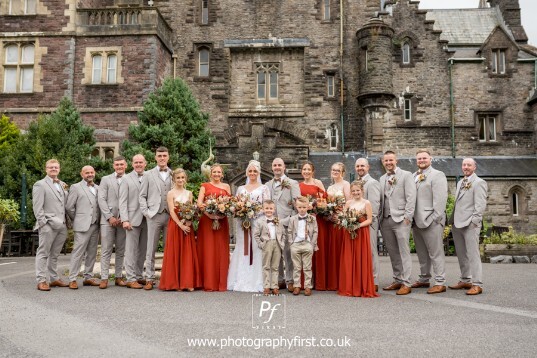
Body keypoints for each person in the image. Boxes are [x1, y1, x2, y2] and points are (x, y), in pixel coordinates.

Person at [228, 160, 270, 292]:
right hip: (243, 224)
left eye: (255, 171)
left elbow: (267, 206)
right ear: (247, 172)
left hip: (257, 222)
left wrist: (253, 213)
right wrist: (241, 211)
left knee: (257, 248)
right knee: (243, 248)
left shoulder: (264, 188)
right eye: (250, 171)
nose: (252, 173)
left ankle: (257, 281)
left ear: (258, 173)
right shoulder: (241, 189)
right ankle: (241, 279)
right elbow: (235, 205)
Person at [449, 158, 488, 295]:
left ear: (474, 167)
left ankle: (477, 284)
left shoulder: (479, 183)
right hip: (457, 223)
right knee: (461, 254)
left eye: (469, 165)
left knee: (473, 254)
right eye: (464, 165)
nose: (466, 167)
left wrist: (475, 222)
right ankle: (466, 279)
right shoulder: (460, 182)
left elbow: (480, 205)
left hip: (470, 224)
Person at [411, 150, 448, 294]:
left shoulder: (437, 175)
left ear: (430, 159)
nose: (421, 160)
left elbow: (440, 199)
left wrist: (435, 218)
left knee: (435, 252)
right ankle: (424, 278)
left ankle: (440, 281)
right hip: (416, 220)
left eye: (424, 158)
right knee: (421, 252)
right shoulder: (414, 176)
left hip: (431, 220)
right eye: (419, 158)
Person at [379, 150, 416, 296]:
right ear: (383, 162)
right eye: (386, 160)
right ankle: (398, 279)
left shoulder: (406, 175)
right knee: (393, 252)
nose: (388, 163)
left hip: (401, 219)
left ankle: (407, 282)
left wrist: (408, 217)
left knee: (404, 251)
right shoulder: (382, 178)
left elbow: (411, 197)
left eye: (391, 160)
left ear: (396, 161)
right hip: (386, 219)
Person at [159, 168, 201, 291]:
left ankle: (187, 282)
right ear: (174, 179)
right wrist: (180, 224)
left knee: (187, 252)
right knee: (175, 251)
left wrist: (188, 221)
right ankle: (176, 283)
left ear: (185, 179)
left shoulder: (189, 193)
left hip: (187, 225)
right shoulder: (170, 193)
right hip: (175, 225)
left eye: (182, 177)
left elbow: (191, 209)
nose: (180, 180)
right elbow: (171, 210)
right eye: (178, 178)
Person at [33, 159, 70, 291]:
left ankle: (54, 279)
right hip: (48, 224)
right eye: (51, 167)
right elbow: (37, 207)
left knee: (55, 254)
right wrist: (43, 223)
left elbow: (66, 205)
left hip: (62, 225)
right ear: (46, 169)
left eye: (56, 167)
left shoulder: (63, 184)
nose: (53, 169)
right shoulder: (40, 185)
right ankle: (41, 280)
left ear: (59, 169)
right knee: (43, 252)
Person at [338, 180, 378, 298]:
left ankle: (361, 287)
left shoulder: (367, 203)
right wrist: (346, 224)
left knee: (361, 258)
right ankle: (349, 286)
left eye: (358, 190)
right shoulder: (348, 203)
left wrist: (357, 226)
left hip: (361, 232)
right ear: (350, 192)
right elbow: (344, 217)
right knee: (349, 258)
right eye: (353, 191)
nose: (356, 192)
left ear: (362, 191)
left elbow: (370, 219)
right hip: (349, 233)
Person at [139, 147, 172, 290]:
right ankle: (150, 278)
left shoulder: (174, 173)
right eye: (160, 156)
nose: (162, 158)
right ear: (155, 157)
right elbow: (142, 196)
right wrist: (146, 212)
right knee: (150, 248)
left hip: (170, 215)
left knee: (169, 248)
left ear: (168, 157)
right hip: (154, 215)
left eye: (164, 155)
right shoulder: (148, 174)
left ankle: (168, 277)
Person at [266, 158, 301, 292]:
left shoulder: (292, 183)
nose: (277, 167)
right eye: (275, 165)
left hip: (286, 223)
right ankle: (279, 280)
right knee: (275, 253)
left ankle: (290, 280)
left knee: (288, 253)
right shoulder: (268, 184)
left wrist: (288, 220)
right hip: (271, 224)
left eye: (279, 165)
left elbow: (297, 206)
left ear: (284, 167)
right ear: (272, 167)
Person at [197, 164, 231, 291]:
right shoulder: (204, 186)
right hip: (207, 221)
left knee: (221, 249)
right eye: (214, 172)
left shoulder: (226, 186)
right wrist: (209, 215)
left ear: (222, 174)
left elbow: (230, 204)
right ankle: (208, 281)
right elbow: (199, 203)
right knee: (208, 249)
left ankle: (221, 281)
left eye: (219, 172)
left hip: (222, 222)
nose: (216, 174)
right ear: (210, 174)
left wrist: (221, 214)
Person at [66, 165, 101, 289]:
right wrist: (78, 219)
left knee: (92, 252)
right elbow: (69, 207)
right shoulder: (75, 187)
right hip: (82, 225)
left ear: (94, 173)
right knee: (78, 252)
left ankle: (88, 277)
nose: (89, 174)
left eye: (91, 172)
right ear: (82, 174)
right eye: (87, 172)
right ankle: (72, 278)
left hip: (95, 225)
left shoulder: (98, 188)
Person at [97, 156, 127, 289]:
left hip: (123, 220)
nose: (119, 166)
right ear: (113, 166)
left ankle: (118, 277)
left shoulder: (130, 179)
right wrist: (109, 217)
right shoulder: (105, 179)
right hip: (107, 220)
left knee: (121, 250)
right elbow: (101, 199)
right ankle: (104, 278)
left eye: (121, 164)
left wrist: (124, 217)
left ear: (126, 165)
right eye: (117, 165)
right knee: (106, 250)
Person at [119, 154, 148, 289]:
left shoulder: (149, 176)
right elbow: (122, 201)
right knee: (130, 250)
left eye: (140, 162)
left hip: (147, 218)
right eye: (136, 162)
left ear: (145, 163)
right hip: (132, 219)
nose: (138, 164)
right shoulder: (126, 179)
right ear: (132, 164)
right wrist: (125, 219)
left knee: (142, 249)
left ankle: (138, 275)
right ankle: (130, 278)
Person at [299, 161, 328, 290]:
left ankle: (319, 282)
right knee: (303, 250)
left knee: (316, 248)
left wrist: (315, 205)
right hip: (303, 220)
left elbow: (325, 201)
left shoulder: (318, 184)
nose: (306, 171)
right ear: (301, 171)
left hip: (316, 220)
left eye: (308, 169)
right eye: (304, 169)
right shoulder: (298, 186)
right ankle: (304, 282)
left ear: (313, 171)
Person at [355, 158, 381, 292]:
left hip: (369, 223)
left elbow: (375, 206)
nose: (360, 168)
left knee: (371, 251)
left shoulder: (372, 183)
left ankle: (374, 280)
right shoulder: (356, 183)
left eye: (362, 166)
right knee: (362, 252)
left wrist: (370, 222)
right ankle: (363, 278)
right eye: (358, 166)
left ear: (368, 167)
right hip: (357, 224)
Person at [326, 162, 351, 291]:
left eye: (338, 170)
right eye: (333, 169)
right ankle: (334, 281)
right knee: (333, 251)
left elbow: (349, 202)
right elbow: (326, 204)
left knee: (341, 251)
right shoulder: (330, 187)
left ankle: (343, 280)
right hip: (331, 222)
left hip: (341, 222)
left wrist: (341, 216)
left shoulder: (346, 184)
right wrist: (328, 214)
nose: (335, 172)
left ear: (343, 172)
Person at [287, 196, 318, 296]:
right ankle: (297, 286)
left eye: (304, 207)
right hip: (295, 244)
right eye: (300, 207)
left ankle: (308, 286)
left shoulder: (312, 218)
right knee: (296, 267)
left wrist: (312, 244)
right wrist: (291, 243)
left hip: (307, 244)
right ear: (296, 207)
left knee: (307, 267)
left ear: (308, 207)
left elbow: (316, 232)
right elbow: (289, 231)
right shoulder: (292, 219)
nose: (302, 209)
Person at [253, 200, 285, 295]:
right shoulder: (260, 221)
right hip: (266, 244)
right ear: (263, 209)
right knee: (266, 266)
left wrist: (281, 243)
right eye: (266, 208)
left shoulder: (278, 220)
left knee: (275, 267)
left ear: (274, 209)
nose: (269, 210)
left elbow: (283, 233)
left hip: (277, 244)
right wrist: (261, 244)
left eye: (271, 208)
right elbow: (256, 235)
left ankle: (274, 286)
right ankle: (266, 286)